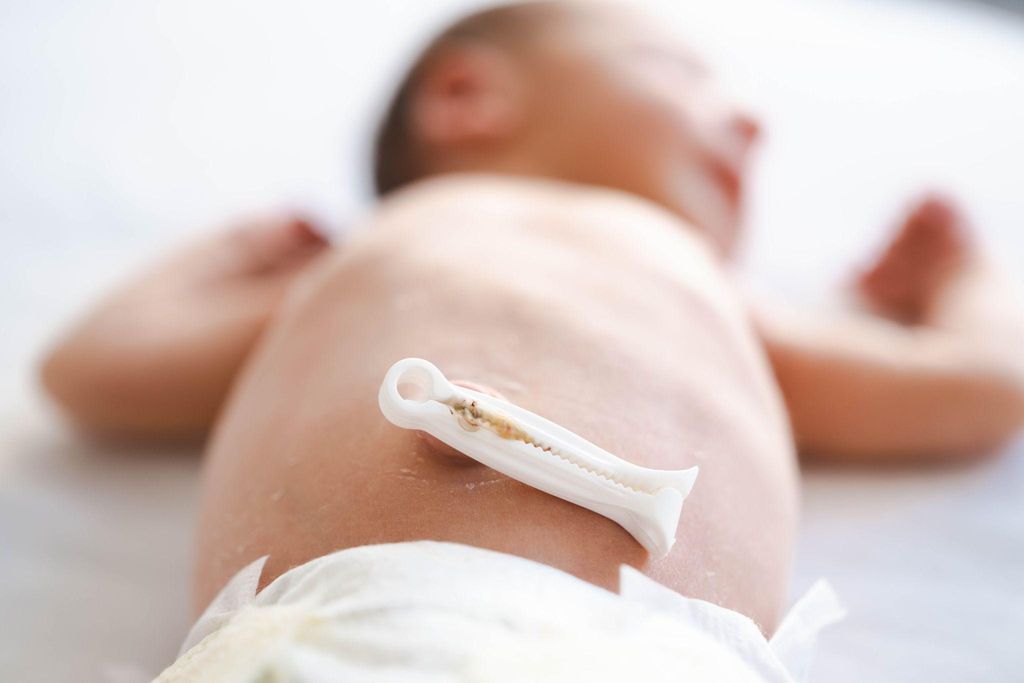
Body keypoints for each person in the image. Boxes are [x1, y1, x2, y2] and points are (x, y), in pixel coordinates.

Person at [38, 1, 1024, 678]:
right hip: (344, 632)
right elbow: (93, 368)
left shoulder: (709, 289)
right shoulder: (379, 252)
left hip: (645, 650)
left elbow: (978, 384)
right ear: (469, 99)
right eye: (679, 75)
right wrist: (233, 250)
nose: (750, 124)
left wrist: (963, 281)